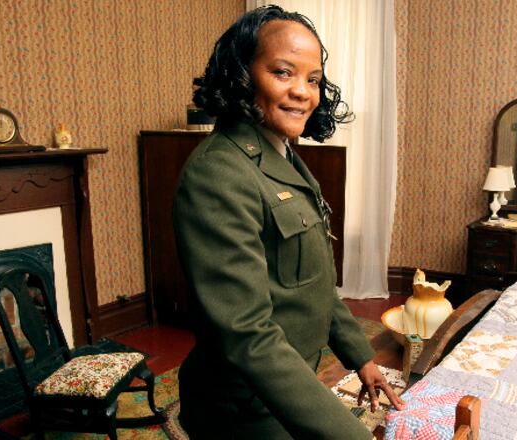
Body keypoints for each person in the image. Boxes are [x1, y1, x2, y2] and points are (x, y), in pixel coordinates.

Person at [172, 5, 403, 439]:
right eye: (283, 72)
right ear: (242, 75)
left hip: (287, 385)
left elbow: (315, 283)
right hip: (245, 408)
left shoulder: (283, 157)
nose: (303, 91)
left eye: (313, 79)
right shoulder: (218, 174)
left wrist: (362, 358)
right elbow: (249, 337)